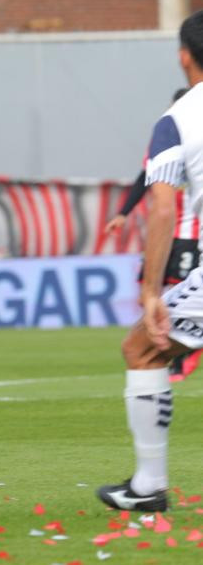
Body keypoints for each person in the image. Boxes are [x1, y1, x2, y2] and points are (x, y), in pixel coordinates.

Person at [98, 10, 203, 513]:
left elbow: (162, 204)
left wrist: (150, 292)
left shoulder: (178, 119)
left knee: (141, 350)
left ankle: (148, 486)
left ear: (184, 56)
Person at [104, 87, 201, 382]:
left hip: (186, 232)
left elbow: (162, 206)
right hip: (165, 235)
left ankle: (184, 347)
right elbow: (143, 178)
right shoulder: (175, 141)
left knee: (141, 346)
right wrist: (123, 212)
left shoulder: (181, 128)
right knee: (159, 295)